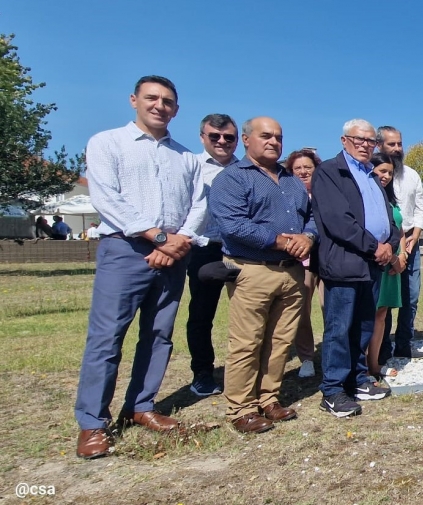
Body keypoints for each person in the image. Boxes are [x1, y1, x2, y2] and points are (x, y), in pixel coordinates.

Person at [74, 75, 206, 459]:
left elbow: (199, 205)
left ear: (176, 109)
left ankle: (141, 406)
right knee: (106, 338)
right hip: (125, 250)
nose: (159, 106)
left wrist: (175, 241)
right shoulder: (107, 143)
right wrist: (157, 236)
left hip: (174, 254)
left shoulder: (186, 157)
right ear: (134, 100)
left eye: (167, 101)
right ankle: (92, 423)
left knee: (159, 335)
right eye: (152, 98)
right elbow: (106, 198)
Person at [209, 117, 315, 434]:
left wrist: (308, 237)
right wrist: (279, 240)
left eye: (278, 137)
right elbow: (233, 225)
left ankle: (268, 398)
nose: (273, 142)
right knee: (247, 342)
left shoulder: (292, 181)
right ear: (246, 139)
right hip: (253, 270)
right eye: (265, 135)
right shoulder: (231, 179)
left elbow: (312, 218)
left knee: (281, 341)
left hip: (292, 272)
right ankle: (241, 408)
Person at [312, 118, 400, 417]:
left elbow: (387, 216)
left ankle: (358, 379)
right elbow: (339, 220)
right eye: (358, 139)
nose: (365, 145)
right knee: (339, 327)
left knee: (364, 324)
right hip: (345, 262)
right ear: (343, 140)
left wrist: (390, 243)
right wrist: (376, 247)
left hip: (372, 264)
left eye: (370, 141)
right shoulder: (330, 171)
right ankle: (334, 390)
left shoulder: (371, 174)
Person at [185, 113, 239, 397]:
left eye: (228, 137)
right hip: (204, 248)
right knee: (202, 314)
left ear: (237, 139)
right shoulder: (190, 166)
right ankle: (203, 373)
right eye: (214, 136)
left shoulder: (245, 169)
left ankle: (248, 369)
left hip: (240, 249)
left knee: (249, 313)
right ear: (202, 137)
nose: (221, 142)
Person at [376, 126, 423, 361]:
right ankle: (382, 347)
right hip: (386, 244)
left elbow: (420, 208)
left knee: (411, 295)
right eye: (391, 145)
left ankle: (404, 344)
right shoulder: (375, 174)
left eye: (399, 144)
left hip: (411, 244)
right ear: (379, 146)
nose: (397, 149)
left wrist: (414, 237)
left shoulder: (412, 175)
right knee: (385, 298)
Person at [285, 148, 323, 378]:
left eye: (307, 167)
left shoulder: (326, 192)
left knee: (332, 309)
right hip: (302, 261)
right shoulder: (287, 196)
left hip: (327, 260)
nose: (302, 172)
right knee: (302, 311)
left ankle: (332, 353)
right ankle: (307, 358)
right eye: (297, 168)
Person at [368, 152, 406, 379]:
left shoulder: (390, 199)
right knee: (368, 314)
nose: (386, 176)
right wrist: (392, 257)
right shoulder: (366, 196)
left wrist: (402, 257)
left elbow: (399, 228)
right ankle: (362, 366)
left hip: (394, 264)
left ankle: (374, 364)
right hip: (377, 260)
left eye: (390, 172)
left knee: (381, 314)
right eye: (382, 170)